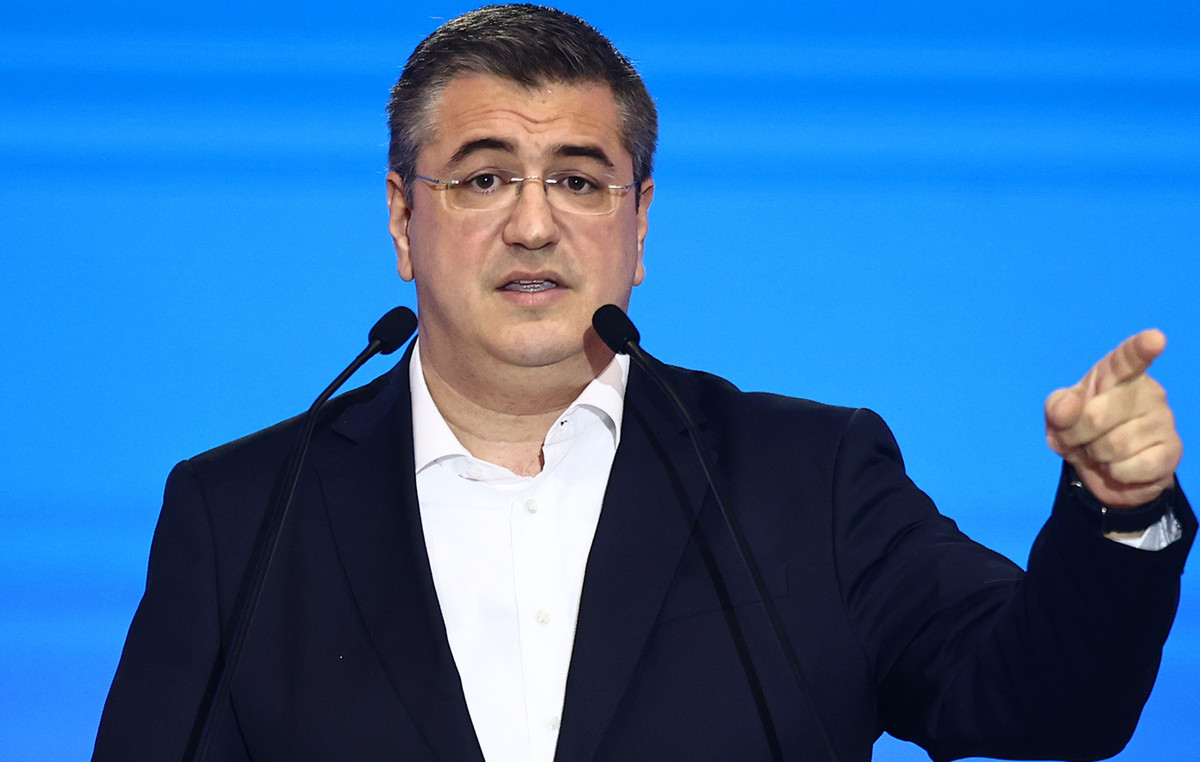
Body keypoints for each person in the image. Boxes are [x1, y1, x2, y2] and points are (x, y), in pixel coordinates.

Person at [93, 5, 1191, 761]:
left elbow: (1047, 703)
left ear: (640, 222)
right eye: (484, 178)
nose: (533, 224)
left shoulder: (809, 479)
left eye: (579, 180)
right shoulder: (243, 514)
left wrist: (1117, 510)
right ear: (402, 218)